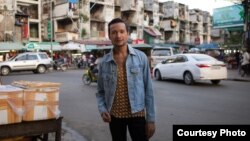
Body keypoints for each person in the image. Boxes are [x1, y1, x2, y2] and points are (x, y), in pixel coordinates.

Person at [96, 18, 155, 141]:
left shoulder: (141, 58)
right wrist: (102, 110)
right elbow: (100, 92)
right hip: (115, 116)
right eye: (114, 32)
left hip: (137, 113)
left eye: (122, 31)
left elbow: (148, 91)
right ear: (110, 36)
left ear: (127, 34)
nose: (118, 35)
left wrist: (151, 120)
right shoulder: (104, 62)